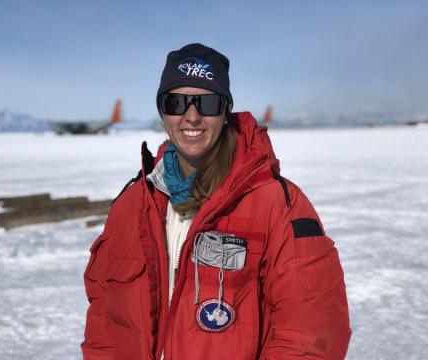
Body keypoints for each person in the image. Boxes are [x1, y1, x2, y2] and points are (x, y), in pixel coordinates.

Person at [81, 43, 351, 359]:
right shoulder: (131, 205)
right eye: (176, 102)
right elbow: (104, 320)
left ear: (225, 113)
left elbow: (313, 333)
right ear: (163, 112)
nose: (191, 116)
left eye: (207, 103)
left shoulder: (276, 204)